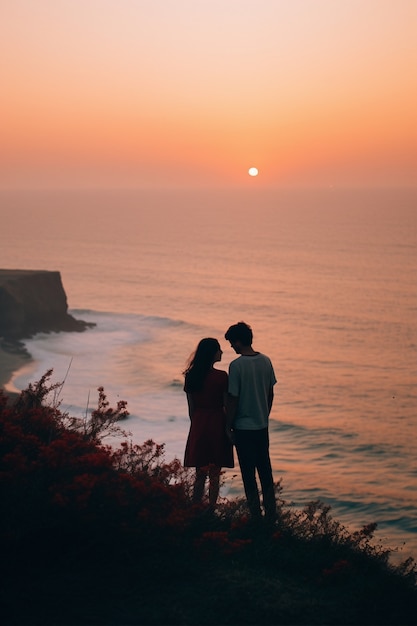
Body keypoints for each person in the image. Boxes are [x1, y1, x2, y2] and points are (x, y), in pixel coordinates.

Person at [224, 322, 277, 522]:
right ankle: (272, 516)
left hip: (243, 427)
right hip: (262, 426)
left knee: (248, 475)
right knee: (265, 472)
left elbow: (233, 398)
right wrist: (265, 413)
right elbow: (271, 392)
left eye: (231, 343)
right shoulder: (266, 361)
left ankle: (256, 516)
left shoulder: (236, 366)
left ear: (238, 341)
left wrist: (228, 426)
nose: (231, 347)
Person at [183, 338, 234, 507]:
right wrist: (228, 428)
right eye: (219, 349)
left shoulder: (191, 376)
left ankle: (195, 506)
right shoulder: (221, 377)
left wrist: (196, 425)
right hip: (217, 423)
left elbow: (191, 408)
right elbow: (227, 405)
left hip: (199, 423)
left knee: (200, 472)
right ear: (212, 353)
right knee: (214, 473)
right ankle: (211, 509)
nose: (222, 352)